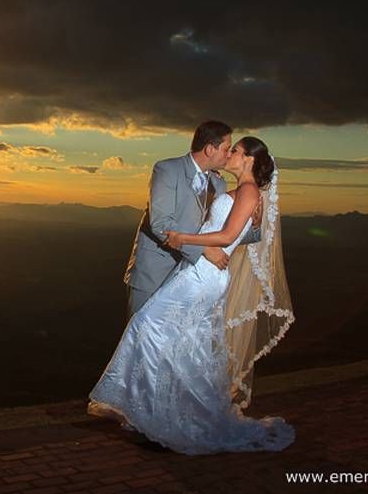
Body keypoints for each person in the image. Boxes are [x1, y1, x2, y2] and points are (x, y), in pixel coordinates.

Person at [87, 136, 295, 455]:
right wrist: (206, 243)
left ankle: (158, 412)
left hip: (204, 277)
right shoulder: (240, 190)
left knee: (147, 325)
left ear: (250, 159)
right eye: (229, 148)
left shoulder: (249, 191)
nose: (230, 155)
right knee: (183, 343)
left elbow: (227, 236)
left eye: (235, 151)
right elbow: (228, 231)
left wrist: (184, 238)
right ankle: (169, 412)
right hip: (200, 273)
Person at [122, 120, 233, 322]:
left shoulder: (219, 183)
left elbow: (220, 227)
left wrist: (255, 225)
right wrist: (203, 250)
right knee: (139, 340)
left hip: (188, 279)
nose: (229, 155)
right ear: (210, 149)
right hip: (154, 273)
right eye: (227, 149)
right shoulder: (167, 169)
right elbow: (161, 224)